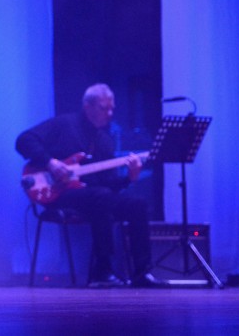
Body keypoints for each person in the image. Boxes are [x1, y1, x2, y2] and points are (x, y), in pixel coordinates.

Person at [16, 83, 166, 288]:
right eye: (104, 108)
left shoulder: (104, 140)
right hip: (57, 194)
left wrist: (130, 178)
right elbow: (24, 140)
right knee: (100, 196)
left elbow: (109, 184)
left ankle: (142, 272)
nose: (110, 114)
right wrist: (50, 163)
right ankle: (102, 271)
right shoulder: (64, 124)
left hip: (93, 196)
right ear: (88, 106)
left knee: (137, 204)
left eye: (112, 109)